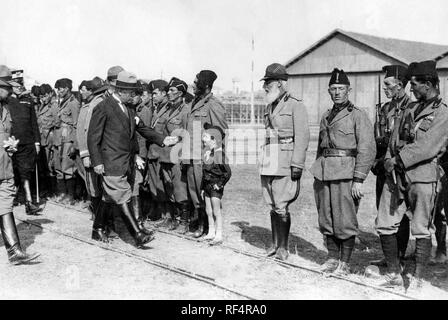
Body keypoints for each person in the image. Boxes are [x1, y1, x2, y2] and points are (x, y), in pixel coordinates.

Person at [87, 71, 178, 247]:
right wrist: (97, 162)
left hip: (126, 162)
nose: (135, 95)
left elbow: (142, 128)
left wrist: (162, 139)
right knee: (121, 195)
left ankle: (98, 229)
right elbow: (93, 138)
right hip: (110, 162)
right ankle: (136, 234)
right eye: (131, 92)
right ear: (120, 90)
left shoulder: (129, 108)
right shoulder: (103, 107)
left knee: (109, 196)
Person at [378, 60, 448, 288]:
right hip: (395, 175)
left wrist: (398, 159)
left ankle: (418, 278)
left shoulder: (443, 113)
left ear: (428, 84)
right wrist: (389, 159)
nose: (410, 89)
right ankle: (394, 273)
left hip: (423, 177)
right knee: (384, 223)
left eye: (415, 84)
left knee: (421, 228)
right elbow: (394, 138)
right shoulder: (408, 108)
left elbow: (428, 146)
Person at [310, 68, 376, 275]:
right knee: (326, 218)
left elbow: (367, 148)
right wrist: (316, 172)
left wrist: (358, 179)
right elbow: (320, 147)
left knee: (345, 219)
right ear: (329, 91)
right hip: (323, 172)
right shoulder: (326, 115)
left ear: (348, 90)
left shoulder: (358, 115)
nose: (337, 92)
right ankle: (331, 258)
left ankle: (344, 263)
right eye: (333, 89)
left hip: (346, 173)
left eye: (341, 88)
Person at [259, 63, 310, 261]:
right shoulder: (270, 105)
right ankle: (274, 243)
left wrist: (297, 164)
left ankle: (283, 247)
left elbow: (303, 137)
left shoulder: (296, 105)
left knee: (281, 205)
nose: (265, 87)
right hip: (270, 159)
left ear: (280, 83)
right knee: (272, 204)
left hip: (286, 160)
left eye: (268, 83)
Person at [370, 65, 412, 267]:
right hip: (383, 167)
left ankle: (400, 256)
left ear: (400, 85)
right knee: (382, 210)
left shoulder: (411, 108)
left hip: (401, 168)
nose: (385, 88)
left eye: (388, 84)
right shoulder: (385, 108)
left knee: (400, 213)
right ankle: (389, 257)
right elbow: (377, 138)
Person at [181, 70, 228, 238]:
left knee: (205, 192)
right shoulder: (193, 103)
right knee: (194, 191)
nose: (193, 85)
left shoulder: (213, 104)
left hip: (204, 157)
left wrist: (215, 160)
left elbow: (219, 133)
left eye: (196, 82)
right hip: (192, 155)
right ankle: (201, 223)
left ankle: (209, 227)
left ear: (206, 86)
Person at [0, 78, 40, 264]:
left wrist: (9, 145)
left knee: (5, 203)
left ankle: (14, 250)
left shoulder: (6, 108)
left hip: (4, 166)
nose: (11, 92)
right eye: (7, 88)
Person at [0, 65, 41, 214]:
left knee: (25, 172)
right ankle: (14, 198)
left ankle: (29, 202)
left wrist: (37, 142)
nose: (17, 87)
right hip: (9, 143)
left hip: (26, 143)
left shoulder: (28, 101)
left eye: (19, 85)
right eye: (15, 85)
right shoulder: (6, 101)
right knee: (11, 173)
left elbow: (34, 123)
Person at [159, 77, 190, 231]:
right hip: (164, 155)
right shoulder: (167, 108)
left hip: (177, 156)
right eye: (168, 90)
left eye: (172, 90)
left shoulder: (185, 110)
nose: (169, 93)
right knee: (169, 188)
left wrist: (178, 138)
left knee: (180, 188)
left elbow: (188, 134)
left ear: (181, 93)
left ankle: (184, 221)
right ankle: (173, 219)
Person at [76, 77, 108, 221]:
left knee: (98, 186)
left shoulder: (96, 103)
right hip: (94, 153)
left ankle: (101, 217)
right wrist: (86, 154)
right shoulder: (92, 106)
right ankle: (99, 218)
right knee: (95, 187)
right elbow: (84, 132)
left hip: (100, 153)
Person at [201, 123, 231, 245]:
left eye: (205, 137)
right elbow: (204, 172)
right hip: (207, 186)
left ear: (214, 139)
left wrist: (219, 184)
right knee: (208, 210)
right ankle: (211, 232)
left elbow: (227, 173)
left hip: (215, 186)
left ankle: (219, 234)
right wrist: (202, 187)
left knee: (216, 211)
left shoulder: (220, 154)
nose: (203, 139)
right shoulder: (207, 154)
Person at [145, 80, 170, 226]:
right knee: (156, 185)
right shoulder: (157, 109)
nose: (153, 96)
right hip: (154, 152)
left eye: (155, 93)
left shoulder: (168, 109)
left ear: (163, 93)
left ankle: (168, 216)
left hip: (163, 154)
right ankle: (161, 214)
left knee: (165, 186)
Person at [53, 78, 80, 204]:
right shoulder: (61, 102)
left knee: (68, 168)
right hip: (59, 138)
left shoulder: (73, 103)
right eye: (57, 89)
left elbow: (76, 125)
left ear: (68, 88)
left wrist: (75, 143)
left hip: (68, 138)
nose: (59, 91)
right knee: (58, 166)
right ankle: (63, 193)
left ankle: (71, 196)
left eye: (61, 88)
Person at [36, 84, 59, 198]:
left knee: (50, 165)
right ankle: (47, 190)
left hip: (49, 139)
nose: (43, 98)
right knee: (43, 165)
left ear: (50, 93)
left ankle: (52, 191)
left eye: (45, 96)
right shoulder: (43, 105)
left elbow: (57, 122)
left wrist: (48, 130)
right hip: (42, 139)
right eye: (41, 96)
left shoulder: (54, 106)